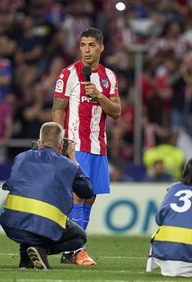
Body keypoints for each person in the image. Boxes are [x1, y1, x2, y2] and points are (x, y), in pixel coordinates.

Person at [52, 27, 121, 265]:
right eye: (83, 45)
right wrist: (59, 143)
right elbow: (58, 109)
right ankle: (75, 250)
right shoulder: (68, 74)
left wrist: (100, 96)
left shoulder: (109, 77)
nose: (87, 50)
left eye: (91, 45)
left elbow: (116, 112)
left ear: (101, 47)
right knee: (78, 198)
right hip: (75, 146)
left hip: (98, 147)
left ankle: (71, 248)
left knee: (89, 198)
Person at [0, 122, 93, 270]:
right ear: (61, 144)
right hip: (44, 225)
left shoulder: (21, 157)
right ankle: (41, 250)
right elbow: (87, 192)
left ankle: (26, 254)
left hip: (11, 223)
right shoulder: (68, 165)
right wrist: (73, 158)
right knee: (80, 237)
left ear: (39, 141)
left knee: (31, 221)